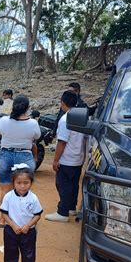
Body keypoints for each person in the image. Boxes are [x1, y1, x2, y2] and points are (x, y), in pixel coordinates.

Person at [0, 95, 41, 227]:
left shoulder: (3, 120)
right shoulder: (33, 123)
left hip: (4, 156)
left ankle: (3, 220)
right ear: (28, 108)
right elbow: (36, 137)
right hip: (24, 157)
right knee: (23, 189)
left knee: (5, 190)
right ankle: (23, 220)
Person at [0, 163, 43, 262]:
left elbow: (37, 215)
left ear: (31, 182)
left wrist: (28, 226)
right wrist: (13, 225)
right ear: (14, 183)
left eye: (26, 182)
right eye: (19, 183)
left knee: (29, 255)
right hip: (10, 231)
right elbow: (4, 213)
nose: (22, 186)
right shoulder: (8, 197)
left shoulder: (34, 198)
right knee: (10, 253)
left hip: (28, 232)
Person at [46, 90, 86, 223]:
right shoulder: (80, 117)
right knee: (73, 184)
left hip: (67, 159)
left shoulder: (65, 120)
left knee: (63, 185)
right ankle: (71, 207)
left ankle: (62, 212)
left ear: (62, 103)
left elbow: (62, 141)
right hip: (78, 157)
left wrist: (56, 160)